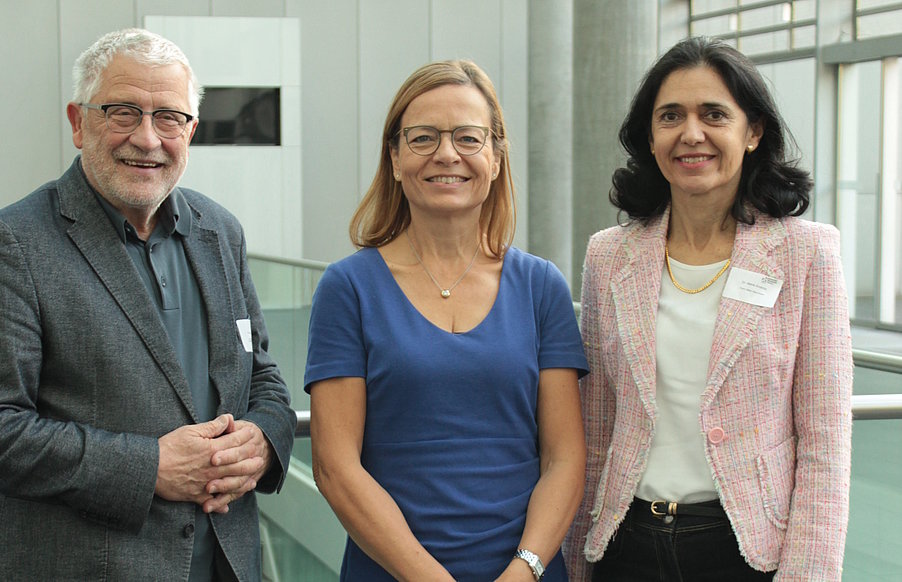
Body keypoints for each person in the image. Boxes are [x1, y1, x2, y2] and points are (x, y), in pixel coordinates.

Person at [0, 28, 296, 581]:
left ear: (192, 131)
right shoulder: (14, 243)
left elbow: (263, 380)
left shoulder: (220, 232)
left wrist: (262, 442)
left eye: (168, 118)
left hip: (221, 565)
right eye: (123, 111)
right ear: (77, 122)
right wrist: (150, 467)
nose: (147, 138)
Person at [562, 36, 853, 581]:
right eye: (670, 116)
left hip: (746, 551)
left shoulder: (805, 253)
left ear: (753, 132)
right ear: (650, 137)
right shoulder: (609, 256)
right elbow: (596, 426)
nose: (691, 133)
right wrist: (579, 562)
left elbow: (824, 445)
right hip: (627, 546)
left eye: (714, 114)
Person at [304, 60, 589, 581]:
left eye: (468, 137)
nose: (446, 154)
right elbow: (336, 468)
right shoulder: (348, 288)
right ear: (394, 158)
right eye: (423, 138)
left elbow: (564, 459)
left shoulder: (541, 286)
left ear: (497, 158)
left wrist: (524, 571)